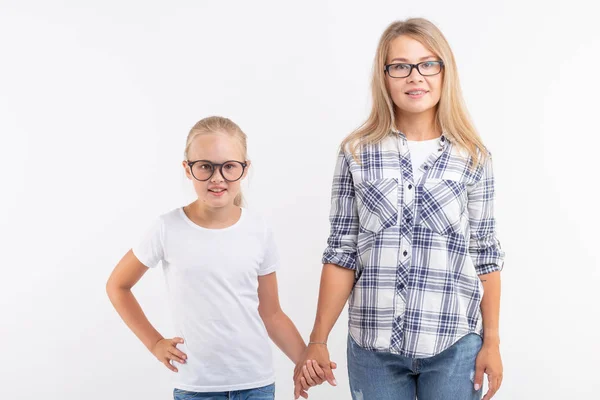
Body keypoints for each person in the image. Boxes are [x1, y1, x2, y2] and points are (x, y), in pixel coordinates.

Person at [294, 18, 505, 400]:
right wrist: (318, 339)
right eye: (400, 66)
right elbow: (341, 251)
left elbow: (484, 255)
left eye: (428, 64)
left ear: (445, 72)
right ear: (385, 76)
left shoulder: (474, 158)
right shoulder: (356, 153)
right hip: (373, 348)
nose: (415, 77)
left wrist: (492, 342)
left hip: (454, 344)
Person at [106, 116, 317, 399]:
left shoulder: (259, 230)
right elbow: (118, 286)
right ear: (188, 169)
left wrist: (304, 361)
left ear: (244, 170)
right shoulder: (167, 228)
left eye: (229, 166)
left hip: (256, 385)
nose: (217, 178)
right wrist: (155, 342)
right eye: (205, 166)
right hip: (197, 387)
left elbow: (272, 313)